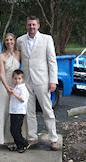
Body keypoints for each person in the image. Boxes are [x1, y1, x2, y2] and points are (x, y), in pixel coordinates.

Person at [16, 16, 61, 150]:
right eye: (29, 25)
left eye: (34, 25)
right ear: (26, 26)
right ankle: (32, 137)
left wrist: (53, 80)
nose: (31, 27)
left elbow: (52, 61)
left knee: (47, 110)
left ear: (38, 26)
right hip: (26, 81)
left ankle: (53, 138)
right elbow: (18, 60)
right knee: (29, 111)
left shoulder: (47, 39)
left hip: (42, 80)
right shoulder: (20, 40)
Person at [0, 33, 21, 151]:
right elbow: (2, 74)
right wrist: (7, 88)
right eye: (7, 40)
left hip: (16, 85)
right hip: (5, 86)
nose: (9, 42)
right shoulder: (1, 56)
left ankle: (16, 137)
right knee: (5, 111)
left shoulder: (19, 54)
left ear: (14, 41)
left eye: (11, 39)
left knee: (16, 112)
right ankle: (7, 139)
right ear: (4, 42)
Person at [9, 69, 30, 153]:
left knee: (16, 130)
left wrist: (14, 93)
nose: (17, 80)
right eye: (15, 78)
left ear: (22, 79)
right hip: (13, 111)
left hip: (19, 112)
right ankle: (19, 146)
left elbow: (22, 100)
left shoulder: (23, 89)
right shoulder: (16, 88)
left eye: (19, 79)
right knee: (12, 129)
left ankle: (24, 143)